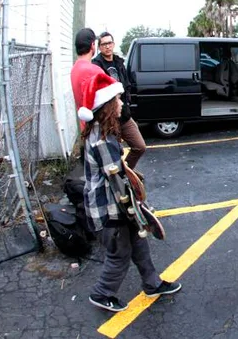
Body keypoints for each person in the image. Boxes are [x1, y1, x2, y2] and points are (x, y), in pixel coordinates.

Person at [78, 72, 180, 312]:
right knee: (119, 253)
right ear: (107, 107)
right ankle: (102, 293)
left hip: (113, 204)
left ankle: (152, 283)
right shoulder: (102, 140)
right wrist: (137, 209)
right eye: (118, 100)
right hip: (108, 209)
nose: (122, 103)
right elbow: (117, 182)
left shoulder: (104, 133)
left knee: (138, 244)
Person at [92, 32, 147, 172]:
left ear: (113, 44)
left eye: (109, 43)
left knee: (139, 146)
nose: (107, 47)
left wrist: (126, 103)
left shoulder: (119, 62)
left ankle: (126, 172)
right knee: (114, 153)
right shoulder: (96, 65)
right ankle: (117, 181)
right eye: (104, 44)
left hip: (124, 114)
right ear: (99, 47)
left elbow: (126, 85)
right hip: (108, 118)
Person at [71, 28, 104, 131]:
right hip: (98, 130)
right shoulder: (94, 71)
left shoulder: (74, 68)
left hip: (85, 128)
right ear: (92, 45)